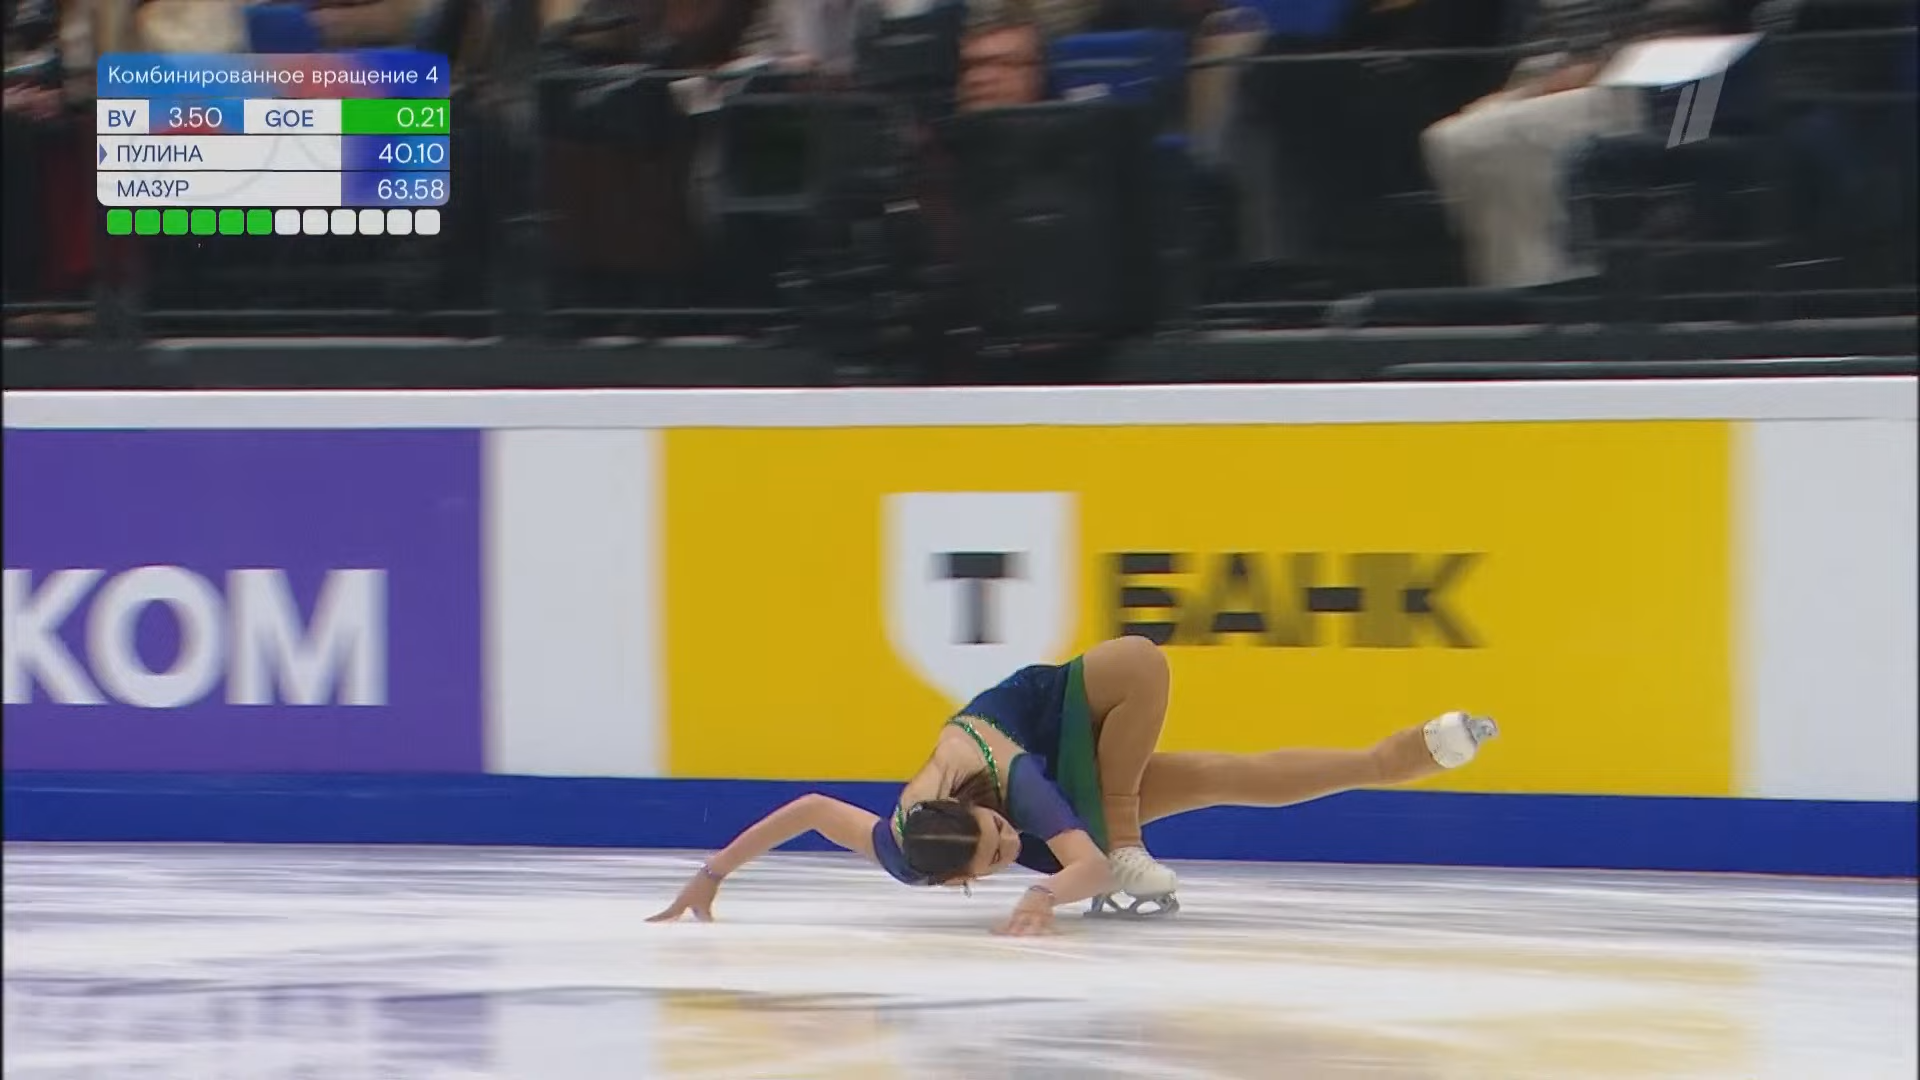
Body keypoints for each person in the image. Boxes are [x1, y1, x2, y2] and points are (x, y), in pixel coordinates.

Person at [650, 636, 1499, 935]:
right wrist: (713, 875)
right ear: (952, 878)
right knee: (1219, 776)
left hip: (1057, 718)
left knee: (1140, 661)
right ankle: (1387, 761)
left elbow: (1085, 866)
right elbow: (805, 812)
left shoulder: (1011, 780)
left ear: (977, 808)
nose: (1008, 846)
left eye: (996, 834)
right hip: (1063, 783)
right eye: (998, 857)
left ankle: (1129, 826)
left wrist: (1049, 889)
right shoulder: (905, 851)